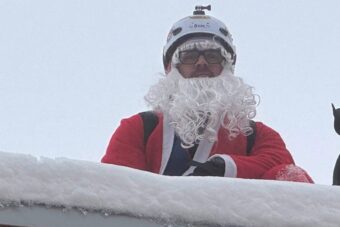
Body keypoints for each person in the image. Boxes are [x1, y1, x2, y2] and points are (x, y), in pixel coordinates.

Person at [102, 6, 313, 183]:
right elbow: (115, 189)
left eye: (213, 56)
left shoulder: (256, 135)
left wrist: (224, 166)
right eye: (189, 56)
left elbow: (281, 166)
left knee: (291, 176)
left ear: (227, 68)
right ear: (170, 68)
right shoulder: (139, 129)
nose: (201, 63)